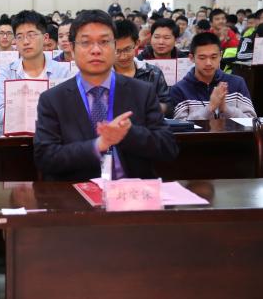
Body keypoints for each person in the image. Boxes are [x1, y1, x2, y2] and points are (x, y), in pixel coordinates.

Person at [33, 9, 178, 181]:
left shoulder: (142, 92)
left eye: (104, 42)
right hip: (76, 192)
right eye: (86, 42)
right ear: (72, 48)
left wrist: (129, 133)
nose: (96, 50)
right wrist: (97, 145)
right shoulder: (53, 99)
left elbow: (168, 149)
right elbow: (45, 158)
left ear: (115, 46)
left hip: (130, 192)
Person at [0, 10, 70, 125]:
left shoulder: (62, 72)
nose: (25, 42)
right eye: (20, 37)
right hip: (17, 135)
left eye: (31, 35)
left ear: (45, 38)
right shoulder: (8, 72)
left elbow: (67, 113)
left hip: (51, 134)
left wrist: (21, 109)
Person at [171, 32, 256, 120]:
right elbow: (181, 126)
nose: (208, 63)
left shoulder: (237, 83)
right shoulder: (180, 89)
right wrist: (210, 108)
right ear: (191, 58)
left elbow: (252, 121)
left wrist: (226, 109)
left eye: (213, 57)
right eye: (202, 58)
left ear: (220, 56)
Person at [114, 20, 172, 116]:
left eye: (127, 49)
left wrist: (147, 108)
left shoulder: (153, 73)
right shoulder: (104, 75)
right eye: (117, 51)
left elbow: (168, 106)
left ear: (137, 43)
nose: (123, 56)